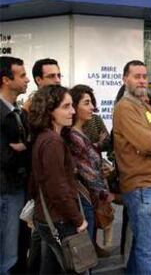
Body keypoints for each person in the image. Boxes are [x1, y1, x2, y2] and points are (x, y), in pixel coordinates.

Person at [113, 60, 151, 274]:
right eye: (136, 76)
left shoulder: (143, 105)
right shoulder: (125, 108)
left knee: (142, 244)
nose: (142, 80)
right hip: (140, 187)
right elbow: (149, 142)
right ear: (125, 78)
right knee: (148, 249)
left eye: (144, 76)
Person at [28, 85, 88, 273]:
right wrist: (78, 220)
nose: (72, 111)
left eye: (71, 106)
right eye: (66, 106)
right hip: (60, 219)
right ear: (49, 111)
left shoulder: (46, 137)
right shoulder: (52, 141)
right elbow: (57, 188)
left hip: (49, 217)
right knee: (78, 268)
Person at [67, 84, 115, 256]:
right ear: (74, 106)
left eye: (91, 103)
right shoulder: (74, 136)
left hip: (90, 196)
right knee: (84, 253)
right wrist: (105, 193)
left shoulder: (80, 132)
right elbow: (87, 171)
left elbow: (105, 141)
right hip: (85, 196)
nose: (92, 107)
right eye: (86, 103)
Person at [0, 56, 30, 274]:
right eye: (21, 75)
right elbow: (6, 155)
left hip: (16, 188)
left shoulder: (16, 111)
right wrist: (20, 149)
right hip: (6, 191)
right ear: (6, 80)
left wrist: (22, 146)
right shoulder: (5, 113)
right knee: (7, 254)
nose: (27, 80)